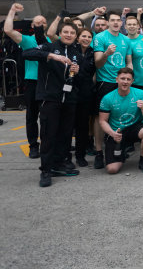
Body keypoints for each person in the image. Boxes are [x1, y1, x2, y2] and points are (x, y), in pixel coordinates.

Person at [22, 22, 82, 187]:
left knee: (65, 135)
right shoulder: (48, 46)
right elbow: (27, 53)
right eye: (65, 32)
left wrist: (77, 72)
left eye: (72, 33)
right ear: (60, 33)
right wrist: (52, 56)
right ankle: (46, 170)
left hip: (69, 100)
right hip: (50, 99)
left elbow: (80, 79)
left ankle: (59, 164)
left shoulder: (77, 53)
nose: (68, 35)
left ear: (75, 36)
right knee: (48, 136)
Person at [3, 3, 48, 159]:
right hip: (32, 82)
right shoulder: (27, 40)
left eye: (43, 23)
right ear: (32, 25)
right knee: (32, 116)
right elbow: (8, 30)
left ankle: (48, 145)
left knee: (47, 117)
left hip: (48, 83)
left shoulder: (51, 40)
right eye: (37, 23)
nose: (40, 25)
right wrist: (12, 11)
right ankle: (33, 146)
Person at [92, 11, 131, 169]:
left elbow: (129, 62)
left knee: (120, 114)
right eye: (112, 20)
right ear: (107, 22)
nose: (115, 23)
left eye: (118, 20)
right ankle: (99, 152)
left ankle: (118, 146)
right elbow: (98, 63)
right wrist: (107, 53)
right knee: (99, 118)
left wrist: (129, 79)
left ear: (122, 23)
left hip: (121, 83)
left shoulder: (126, 40)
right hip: (105, 82)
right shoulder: (100, 38)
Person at [98, 67, 143, 174]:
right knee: (112, 169)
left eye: (128, 79)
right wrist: (112, 134)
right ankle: (121, 153)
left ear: (132, 81)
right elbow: (102, 121)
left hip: (134, 128)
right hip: (116, 131)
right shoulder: (107, 98)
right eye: (122, 79)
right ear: (117, 79)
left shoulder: (141, 93)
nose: (125, 82)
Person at [73, 27, 96, 167]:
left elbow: (91, 72)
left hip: (85, 94)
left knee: (82, 127)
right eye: (83, 36)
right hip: (70, 93)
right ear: (78, 38)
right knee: (67, 126)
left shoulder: (92, 53)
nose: (86, 39)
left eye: (89, 37)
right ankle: (63, 156)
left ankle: (80, 155)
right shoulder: (71, 50)